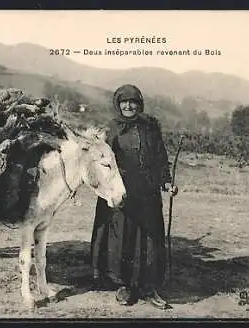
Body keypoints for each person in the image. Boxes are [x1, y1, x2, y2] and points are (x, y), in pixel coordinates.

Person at [90, 84, 178, 309]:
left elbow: (160, 157)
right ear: (118, 104)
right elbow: (101, 163)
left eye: (133, 102)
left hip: (147, 193)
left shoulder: (150, 127)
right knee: (122, 238)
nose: (128, 106)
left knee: (149, 239)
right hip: (122, 192)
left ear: (140, 104)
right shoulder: (111, 129)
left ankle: (149, 287)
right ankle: (124, 286)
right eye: (124, 102)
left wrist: (166, 182)